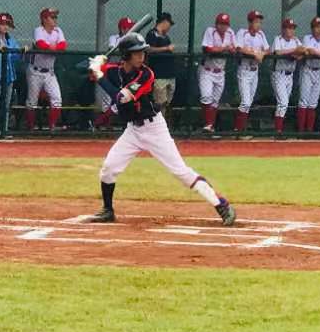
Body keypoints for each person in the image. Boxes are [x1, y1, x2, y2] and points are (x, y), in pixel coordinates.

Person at [85, 33, 235, 226]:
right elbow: (90, 72)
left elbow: (121, 98)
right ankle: (108, 210)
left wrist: (99, 74)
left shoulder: (146, 74)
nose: (141, 56)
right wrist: (96, 63)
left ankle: (221, 204)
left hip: (154, 129)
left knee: (181, 172)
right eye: (136, 53)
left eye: (142, 52)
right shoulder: (116, 70)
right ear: (126, 55)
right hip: (133, 131)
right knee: (109, 168)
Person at [27, 7, 67, 130]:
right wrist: (52, 47)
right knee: (32, 102)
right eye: (52, 17)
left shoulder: (58, 31)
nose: (55, 19)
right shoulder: (38, 30)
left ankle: (51, 127)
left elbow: (63, 45)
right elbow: (40, 44)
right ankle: (30, 128)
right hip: (35, 71)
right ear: (44, 19)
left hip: (50, 72)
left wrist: (51, 47)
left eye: (55, 17)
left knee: (57, 99)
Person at [0, 13, 23, 137]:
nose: (5, 27)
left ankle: (4, 129)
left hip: (9, 76)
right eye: (2, 24)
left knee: (6, 105)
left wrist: (21, 51)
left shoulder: (11, 40)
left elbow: (16, 56)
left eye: (7, 24)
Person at [94, 17, 135, 129]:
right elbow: (114, 49)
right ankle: (104, 124)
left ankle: (125, 123)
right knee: (108, 97)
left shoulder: (132, 39)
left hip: (125, 72)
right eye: (128, 28)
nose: (131, 29)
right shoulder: (114, 38)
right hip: (112, 70)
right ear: (122, 29)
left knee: (123, 96)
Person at [198, 13, 236, 133]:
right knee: (206, 96)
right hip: (207, 70)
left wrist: (230, 49)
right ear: (216, 24)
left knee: (215, 100)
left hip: (220, 71)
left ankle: (210, 126)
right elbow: (207, 48)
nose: (223, 26)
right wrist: (224, 48)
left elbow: (234, 49)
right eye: (221, 24)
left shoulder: (230, 33)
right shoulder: (210, 31)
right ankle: (208, 124)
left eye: (225, 24)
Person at [298, 16, 320, 133]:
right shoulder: (307, 38)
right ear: (312, 28)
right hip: (307, 70)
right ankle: (300, 131)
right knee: (304, 101)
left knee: (313, 102)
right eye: (316, 27)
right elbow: (310, 51)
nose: (319, 29)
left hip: (318, 72)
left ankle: (309, 130)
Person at [234, 10, 269, 133]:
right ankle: (238, 130)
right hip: (244, 70)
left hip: (255, 71)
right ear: (250, 22)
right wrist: (254, 53)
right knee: (246, 102)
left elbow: (268, 50)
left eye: (259, 22)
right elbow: (238, 48)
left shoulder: (261, 34)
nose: (258, 24)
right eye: (256, 22)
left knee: (249, 102)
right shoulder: (242, 33)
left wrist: (262, 53)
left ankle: (240, 129)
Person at [270, 18, 304, 135]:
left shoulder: (296, 40)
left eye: (293, 28)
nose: (291, 30)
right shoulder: (278, 39)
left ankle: (279, 129)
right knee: (283, 102)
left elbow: (303, 52)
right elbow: (278, 52)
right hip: (279, 74)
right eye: (289, 28)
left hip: (290, 75)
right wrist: (294, 51)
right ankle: (278, 131)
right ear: (283, 29)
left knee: (285, 102)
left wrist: (296, 55)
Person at [145, 12, 177, 112]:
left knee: (167, 102)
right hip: (159, 75)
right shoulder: (152, 34)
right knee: (159, 102)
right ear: (164, 22)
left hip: (169, 74)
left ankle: (164, 120)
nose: (169, 27)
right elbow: (149, 49)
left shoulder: (166, 36)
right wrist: (166, 48)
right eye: (169, 24)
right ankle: (159, 121)